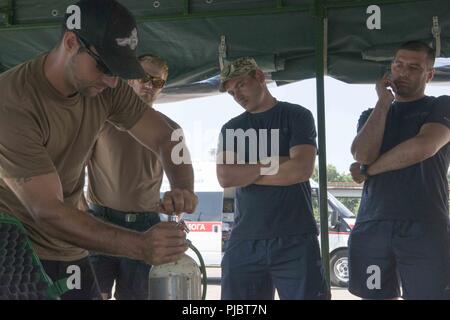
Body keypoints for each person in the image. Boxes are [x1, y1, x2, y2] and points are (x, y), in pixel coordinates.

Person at [0, 0, 197, 300]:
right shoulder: (12, 101)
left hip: (70, 245)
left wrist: (183, 187)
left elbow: (169, 137)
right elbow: (47, 210)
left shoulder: (107, 89)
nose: (112, 80)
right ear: (70, 42)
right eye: (105, 66)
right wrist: (140, 246)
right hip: (15, 248)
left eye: (119, 69)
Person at [216, 57, 329, 300]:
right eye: (232, 92)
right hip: (245, 239)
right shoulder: (231, 127)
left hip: (295, 238)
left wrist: (246, 173)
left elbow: (300, 169)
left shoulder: (297, 115)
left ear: (259, 77)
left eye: (241, 85)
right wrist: (278, 162)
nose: (238, 95)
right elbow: (226, 176)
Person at [349, 40, 450, 300]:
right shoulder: (371, 114)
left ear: (428, 75)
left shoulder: (441, 105)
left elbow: (424, 146)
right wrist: (383, 103)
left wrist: (369, 170)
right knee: (374, 296)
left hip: (424, 225)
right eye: (398, 65)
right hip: (372, 225)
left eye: (413, 67)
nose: (402, 72)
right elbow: (362, 153)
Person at [84, 54, 184, 300]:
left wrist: (176, 213)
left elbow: (179, 187)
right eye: (142, 77)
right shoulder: (100, 119)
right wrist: (79, 211)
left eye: (157, 82)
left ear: (162, 88)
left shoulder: (171, 129)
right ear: (129, 79)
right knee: (93, 295)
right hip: (100, 222)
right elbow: (74, 170)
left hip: (146, 227)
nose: (149, 85)